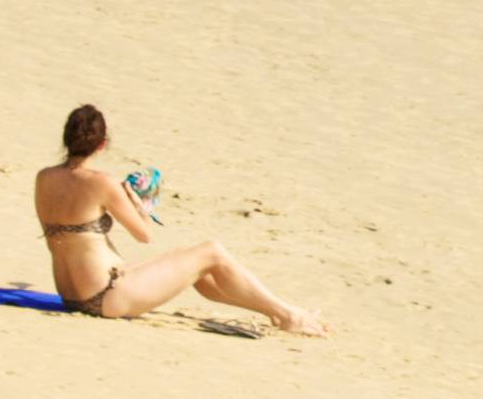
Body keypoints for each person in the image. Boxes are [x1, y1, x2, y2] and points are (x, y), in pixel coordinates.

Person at [34, 104, 323, 334]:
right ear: (101, 145)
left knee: (199, 271)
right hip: (106, 297)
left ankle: (275, 311)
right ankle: (288, 315)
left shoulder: (44, 178)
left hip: (71, 295)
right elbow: (144, 235)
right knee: (211, 251)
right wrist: (137, 202)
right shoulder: (101, 182)